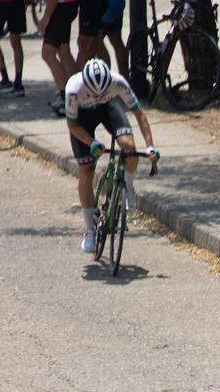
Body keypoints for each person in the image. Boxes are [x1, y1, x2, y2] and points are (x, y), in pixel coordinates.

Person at [64, 57, 157, 255]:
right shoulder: (73, 89)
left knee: (130, 149)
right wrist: (92, 143)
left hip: (109, 110)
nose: (97, 96)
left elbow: (140, 114)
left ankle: (128, 188)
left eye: (102, 93)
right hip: (83, 119)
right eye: (93, 93)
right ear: (85, 84)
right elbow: (72, 125)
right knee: (86, 171)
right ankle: (89, 230)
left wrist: (150, 146)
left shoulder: (118, 82)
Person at [38, 0, 80, 114]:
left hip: (60, 7)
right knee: (64, 51)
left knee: (47, 53)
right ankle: (77, 95)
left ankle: (66, 98)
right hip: (67, 6)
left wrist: (46, 17)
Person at [0, 0, 30, 94]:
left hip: (2, 3)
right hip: (17, 3)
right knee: (16, 40)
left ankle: (5, 80)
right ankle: (18, 83)